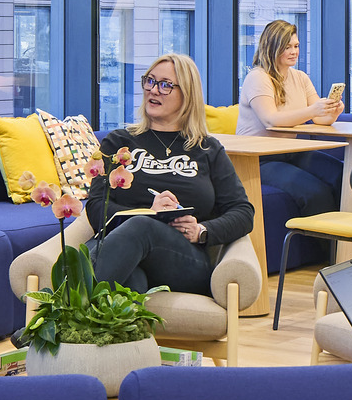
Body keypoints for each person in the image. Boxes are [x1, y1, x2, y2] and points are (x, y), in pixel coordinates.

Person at [85, 52, 257, 296]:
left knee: (141, 227)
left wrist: (201, 231)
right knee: (132, 280)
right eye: (150, 81)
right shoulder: (118, 143)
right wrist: (149, 213)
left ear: (186, 95)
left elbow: (243, 212)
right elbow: (95, 207)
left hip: (181, 259)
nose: (154, 90)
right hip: (120, 249)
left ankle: (54, 319)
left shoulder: (207, 149)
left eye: (166, 85)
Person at [238, 17, 344, 274]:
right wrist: (313, 108)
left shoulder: (300, 77)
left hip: (291, 153)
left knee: (342, 176)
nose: (294, 51)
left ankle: (346, 247)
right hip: (259, 157)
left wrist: (333, 110)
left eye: (296, 46)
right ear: (272, 47)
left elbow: (319, 118)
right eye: (288, 47)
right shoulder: (258, 77)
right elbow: (271, 119)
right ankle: (330, 256)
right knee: (314, 192)